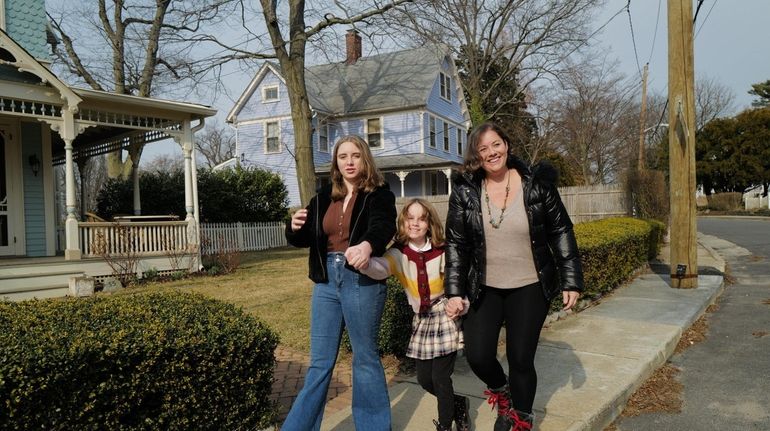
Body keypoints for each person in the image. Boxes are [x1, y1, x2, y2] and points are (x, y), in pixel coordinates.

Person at [443, 122, 584, 431]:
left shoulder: (537, 184)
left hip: (529, 286)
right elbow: (456, 243)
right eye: (483, 149)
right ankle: (501, 391)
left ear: (506, 145)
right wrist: (454, 291)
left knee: (520, 358)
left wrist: (571, 279)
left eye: (496, 144)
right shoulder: (466, 191)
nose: (491, 152)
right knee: (478, 355)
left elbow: (561, 230)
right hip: (483, 288)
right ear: (476, 156)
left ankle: (521, 419)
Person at [283, 135, 396, 431]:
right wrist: (293, 228)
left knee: (365, 358)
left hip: (360, 280)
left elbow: (383, 225)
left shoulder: (379, 193)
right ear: (336, 161)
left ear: (365, 159)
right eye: (343, 156)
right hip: (326, 284)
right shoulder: (323, 197)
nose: (349, 161)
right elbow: (306, 237)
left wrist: (368, 246)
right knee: (319, 364)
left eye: (355, 155)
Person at [352, 198, 471, 431]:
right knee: (425, 379)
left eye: (422, 218)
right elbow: (381, 269)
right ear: (403, 221)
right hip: (422, 321)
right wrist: (364, 262)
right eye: (410, 218)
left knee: (440, 378)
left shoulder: (443, 250)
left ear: (430, 223)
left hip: (445, 315)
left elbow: (460, 282)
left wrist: (460, 303)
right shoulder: (398, 253)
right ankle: (458, 403)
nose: (415, 223)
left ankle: (446, 426)